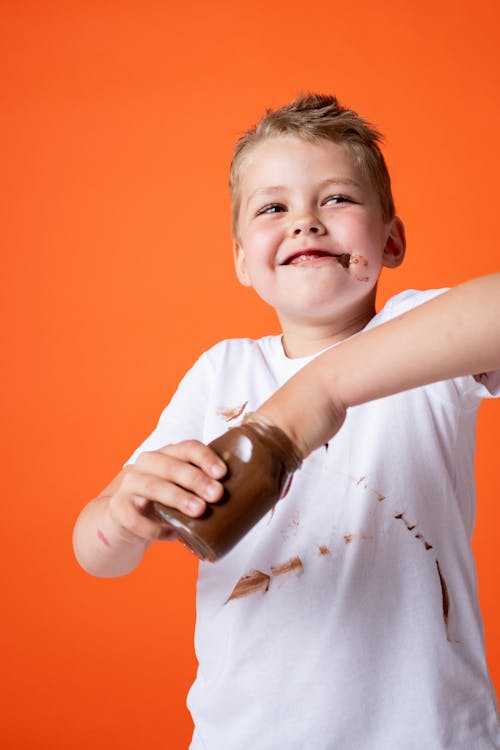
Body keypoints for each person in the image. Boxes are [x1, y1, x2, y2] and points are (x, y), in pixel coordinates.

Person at [73, 94, 500, 749]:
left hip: (430, 733)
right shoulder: (222, 373)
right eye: (274, 208)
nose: (305, 222)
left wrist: (324, 389)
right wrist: (121, 520)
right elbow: (96, 556)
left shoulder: (424, 334)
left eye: (337, 200)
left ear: (391, 240)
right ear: (242, 260)